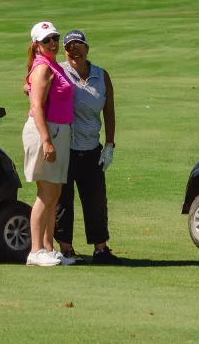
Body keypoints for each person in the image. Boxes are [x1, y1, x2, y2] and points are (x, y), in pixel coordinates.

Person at [54, 30, 122, 265]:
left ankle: (101, 249)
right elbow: (32, 86)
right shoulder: (59, 71)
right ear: (64, 50)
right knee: (64, 200)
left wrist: (110, 145)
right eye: (69, 47)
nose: (75, 51)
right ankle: (65, 249)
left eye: (79, 45)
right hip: (65, 147)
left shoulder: (101, 76)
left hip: (92, 147)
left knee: (95, 200)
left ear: (87, 48)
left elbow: (109, 112)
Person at [23, 21, 75, 267]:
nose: (53, 43)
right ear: (36, 46)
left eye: (55, 37)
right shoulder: (43, 68)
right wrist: (46, 141)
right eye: (46, 40)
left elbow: (32, 89)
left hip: (58, 131)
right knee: (45, 194)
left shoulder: (51, 66)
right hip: (46, 133)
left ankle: (48, 248)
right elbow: (36, 106)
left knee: (54, 194)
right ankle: (35, 251)